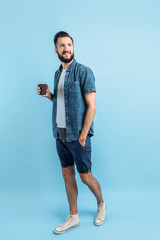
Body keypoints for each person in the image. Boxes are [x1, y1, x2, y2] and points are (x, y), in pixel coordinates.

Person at [37, 31, 106, 234]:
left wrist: (83, 134)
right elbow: (61, 103)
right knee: (67, 175)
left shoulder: (84, 72)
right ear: (56, 49)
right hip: (59, 135)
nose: (66, 48)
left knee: (85, 177)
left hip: (78, 136)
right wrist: (49, 94)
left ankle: (101, 203)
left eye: (69, 44)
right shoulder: (57, 74)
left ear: (73, 47)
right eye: (62, 45)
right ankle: (73, 216)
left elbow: (91, 106)